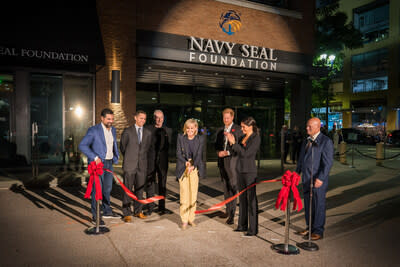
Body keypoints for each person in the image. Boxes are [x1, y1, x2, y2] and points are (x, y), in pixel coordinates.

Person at [79, 108, 120, 225]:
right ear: (102, 118)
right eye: (108, 119)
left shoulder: (113, 130)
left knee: (107, 189)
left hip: (109, 163)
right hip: (98, 164)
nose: (111, 121)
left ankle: (107, 211)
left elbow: (113, 144)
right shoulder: (93, 130)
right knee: (97, 190)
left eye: (112, 119)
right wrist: (95, 157)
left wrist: (115, 157)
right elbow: (82, 145)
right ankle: (96, 216)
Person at [295, 117, 333, 241]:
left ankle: (318, 230)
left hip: (317, 180)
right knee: (308, 204)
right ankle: (309, 227)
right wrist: (297, 173)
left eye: (310, 126)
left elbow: (327, 163)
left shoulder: (325, 141)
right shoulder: (307, 140)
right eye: (307, 126)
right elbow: (301, 159)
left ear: (317, 127)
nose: (307, 128)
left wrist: (321, 178)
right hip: (306, 178)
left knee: (318, 205)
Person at [226, 117, 260, 236]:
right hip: (240, 170)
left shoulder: (255, 138)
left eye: (243, 126)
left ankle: (253, 228)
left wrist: (235, 144)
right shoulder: (241, 137)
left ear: (250, 126)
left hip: (249, 172)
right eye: (241, 126)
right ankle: (242, 225)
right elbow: (235, 151)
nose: (242, 129)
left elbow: (246, 154)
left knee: (251, 200)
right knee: (242, 199)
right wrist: (231, 142)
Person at [120, 110, 152, 223]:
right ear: (135, 118)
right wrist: (130, 157)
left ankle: (138, 211)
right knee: (127, 190)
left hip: (142, 166)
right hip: (130, 165)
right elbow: (123, 148)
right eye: (140, 118)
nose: (142, 120)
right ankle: (126, 213)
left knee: (139, 190)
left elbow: (146, 149)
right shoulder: (127, 131)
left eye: (144, 118)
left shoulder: (148, 133)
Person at [176, 118, 206, 230]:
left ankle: (191, 219)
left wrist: (193, 166)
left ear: (196, 129)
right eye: (188, 128)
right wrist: (186, 163)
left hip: (194, 168)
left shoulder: (200, 139)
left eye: (192, 128)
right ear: (185, 128)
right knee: (184, 195)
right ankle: (184, 220)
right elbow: (178, 153)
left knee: (193, 195)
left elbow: (199, 155)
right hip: (183, 167)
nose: (190, 130)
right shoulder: (180, 138)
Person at [215, 108, 242, 225]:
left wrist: (228, 153)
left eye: (228, 118)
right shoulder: (220, 130)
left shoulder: (238, 130)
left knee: (232, 187)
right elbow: (215, 145)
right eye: (224, 118)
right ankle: (227, 210)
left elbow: (240, 147)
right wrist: (218, 152)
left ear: (232, 117)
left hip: (232, 162)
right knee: (225, 187)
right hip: (222, 161)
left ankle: (232, 214)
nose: (226, 120)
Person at [144, 110, 173, 216]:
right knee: (150, 184)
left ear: (164, 118)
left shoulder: (168, 130)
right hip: (150, 160)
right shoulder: (147, 129)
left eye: (161, 117)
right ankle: (150, 207)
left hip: (163, 162)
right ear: (154, 118)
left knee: (162, 184)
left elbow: (169, 147)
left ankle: (162, 207)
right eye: (157, 117)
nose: (160, 120)